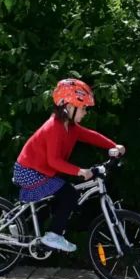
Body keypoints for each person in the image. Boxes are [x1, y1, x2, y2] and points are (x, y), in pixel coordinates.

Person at [13, 78, 125, 252]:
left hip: (41, 171)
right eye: (83, 108)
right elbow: (54, 161)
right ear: (69, 107)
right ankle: (53, 235)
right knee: (70, 194)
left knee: (58, 198)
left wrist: (114, 146)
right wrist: (80, 171)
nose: (85, 112)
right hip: (29, 171)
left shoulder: (69, 126)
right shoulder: (54, 128)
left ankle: (23, 226)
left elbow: (90, 136)